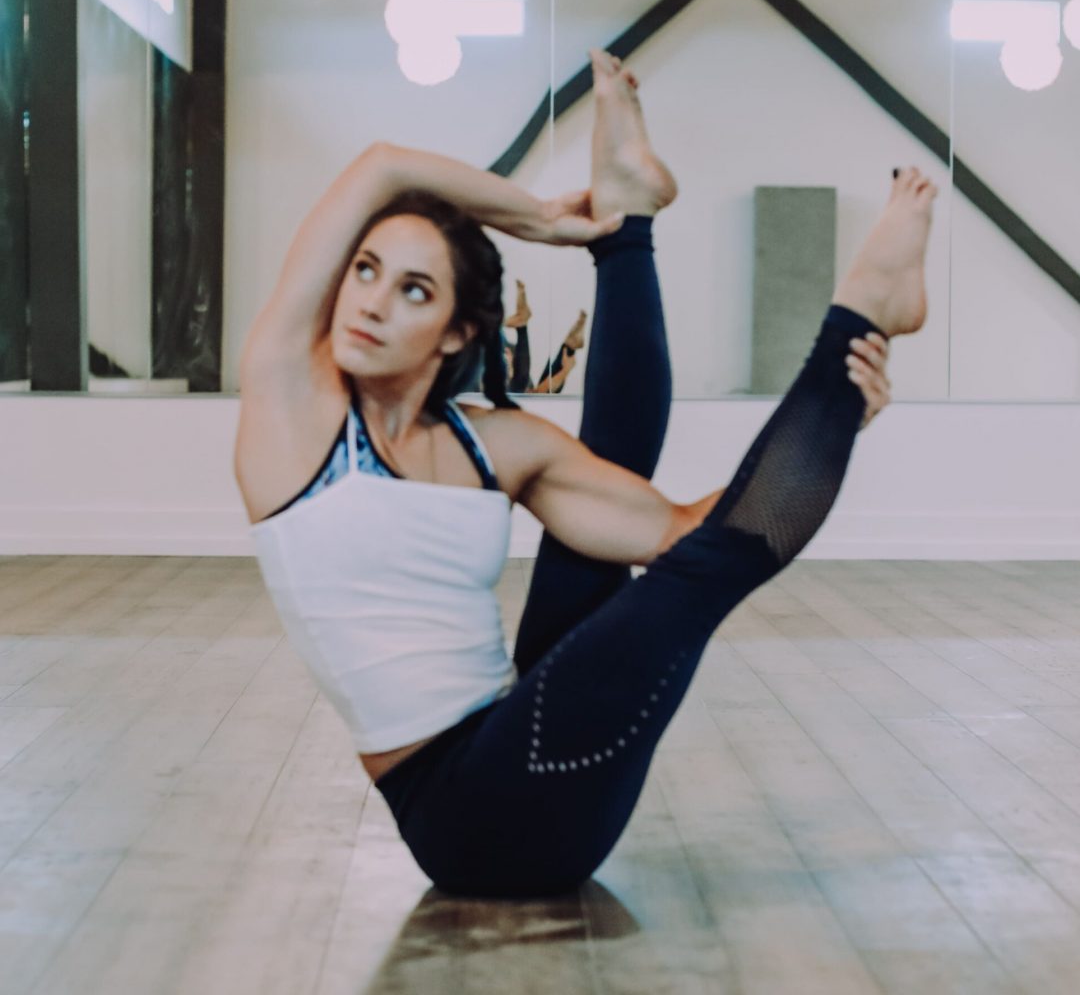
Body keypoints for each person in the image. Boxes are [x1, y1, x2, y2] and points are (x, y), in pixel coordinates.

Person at [235, 48, 930, 898]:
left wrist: (841, 431)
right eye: (365, 271)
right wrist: (538, 216)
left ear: (458, 332)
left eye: (416, 290)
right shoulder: (292, 410)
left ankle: (629, 224)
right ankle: (857, 318)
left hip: (540, 748)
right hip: (473, 825)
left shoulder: (494, 444)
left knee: (639, 537)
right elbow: (381, 165)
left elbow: (682, 530)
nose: (371, 301)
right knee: (693, 585)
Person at [503, 279, 586, 394]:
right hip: (513, 390)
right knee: (527, 387)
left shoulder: (510, 353)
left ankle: (570, 346)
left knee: (530, 388)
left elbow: (537, 391)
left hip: (520, 389)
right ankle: (570, 346)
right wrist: (565, 371)